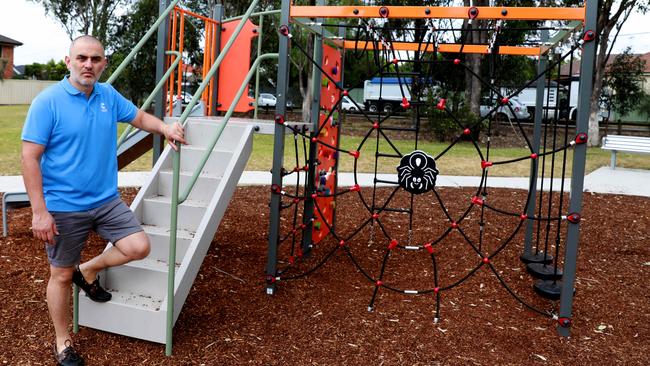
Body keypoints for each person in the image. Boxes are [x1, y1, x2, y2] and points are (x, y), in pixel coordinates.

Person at [21, 35, 186, 366]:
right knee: (61, 276)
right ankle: (62, 341)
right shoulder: (48, 102)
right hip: (65, 206)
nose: (88, 64)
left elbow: (139, 118)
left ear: (103, 64)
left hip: (106, 200)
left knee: (138, 246)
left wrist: (165, 128)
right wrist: (39, 212)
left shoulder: (107, 95)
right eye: (81, 58)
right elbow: (29, 157)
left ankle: (90, 268)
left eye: (95, 59)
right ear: (68, 61)